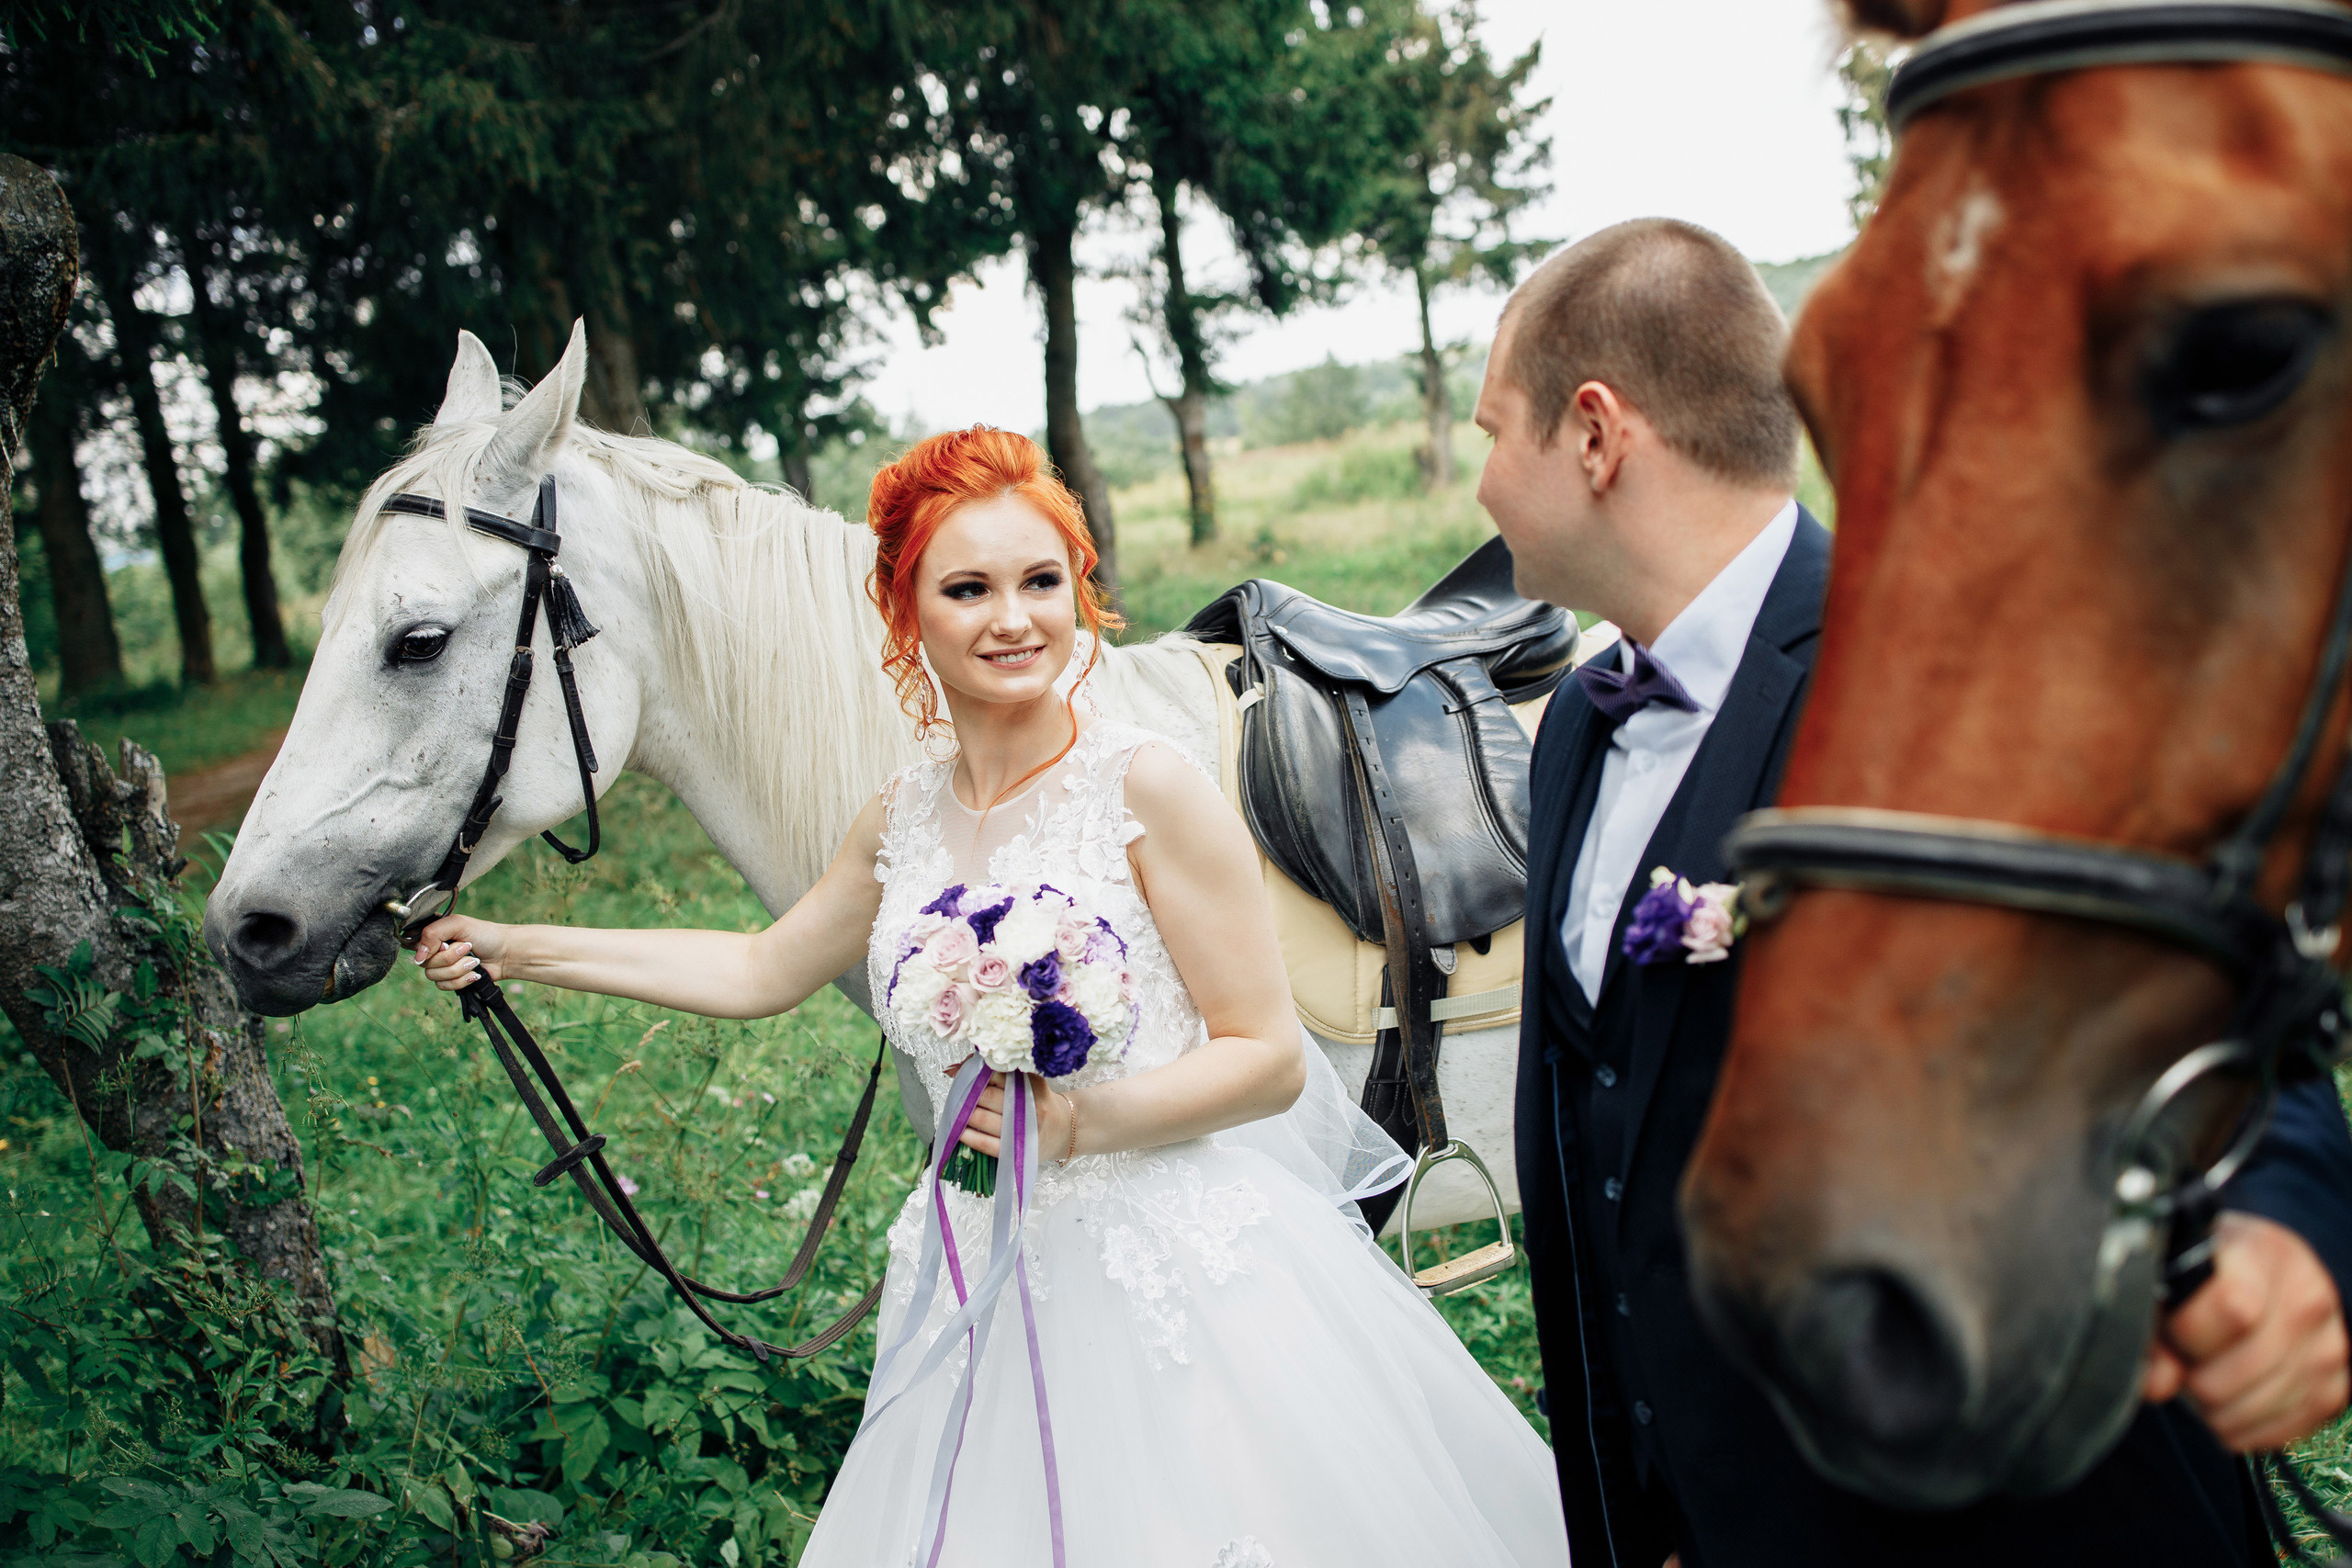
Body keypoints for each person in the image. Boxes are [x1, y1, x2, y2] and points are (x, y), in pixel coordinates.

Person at [413, 427, 1568, 1567]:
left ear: (1079, 592)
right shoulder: (900, 815)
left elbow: (1265, 1059)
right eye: (968, 589)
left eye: (1040, 582)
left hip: (1164, 1264)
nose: (1012, 619)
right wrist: (516, 946)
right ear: (906, 611)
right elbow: (761, 970)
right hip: (972, 1258)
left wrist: (1077, 1126)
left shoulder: (1149, 789)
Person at [1480, 217, 2352, 1567]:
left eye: (1494, 432)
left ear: (1595, 435)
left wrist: (2279, 1232)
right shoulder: (1578, 732)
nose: (1480, 484)